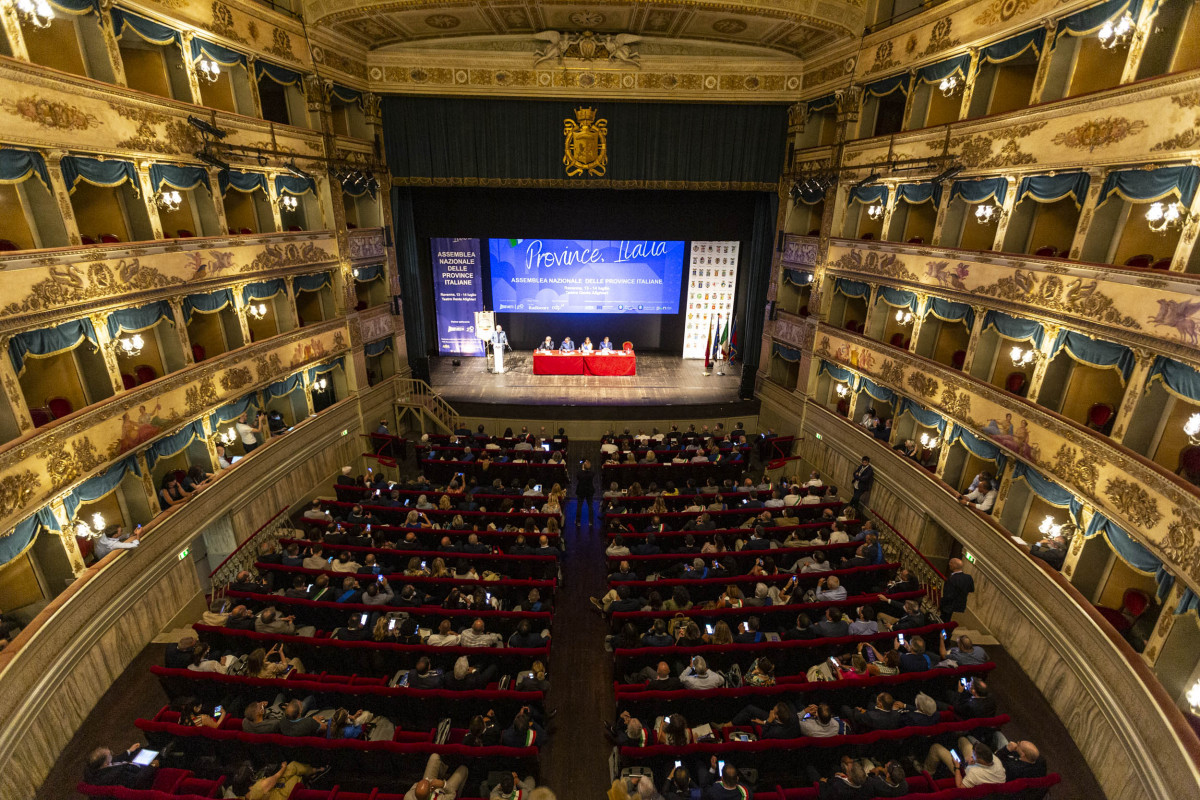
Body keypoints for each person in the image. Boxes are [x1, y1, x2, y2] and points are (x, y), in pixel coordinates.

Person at [83, 744, 158, 788]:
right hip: (140, 778)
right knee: (159, 758)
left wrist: (129, 751)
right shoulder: (115, 776)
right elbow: (137, 780)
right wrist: (152, 766)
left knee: (142, 749)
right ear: (106, 763)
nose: (112, 754)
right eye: (110, 754)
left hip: (130, 767)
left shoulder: (96, 767)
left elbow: (114, 760)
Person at [404, 754, 469, 800]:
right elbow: (452, 794)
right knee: (463, 769)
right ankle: (460, 795)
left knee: (434, 757)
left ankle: (443, 773)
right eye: (426, 783)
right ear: (430, 791)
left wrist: (429, 782)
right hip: (444, 792)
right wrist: (443, 784)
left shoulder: (408, 797)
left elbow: (416, 785)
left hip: (431, 783)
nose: (425, 781)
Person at [940, 557, 975, 622]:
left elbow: (948, 595)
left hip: (949, 607)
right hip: (961, 606)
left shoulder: (952, 579)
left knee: (943, 622)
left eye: (951, 563)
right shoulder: (968, 578)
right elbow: (971, 589)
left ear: (955, 565)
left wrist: (941, 602)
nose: (949, 564)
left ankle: (944, 629)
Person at [576, 458, 595, 526]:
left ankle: (578, 522)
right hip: (589, 491)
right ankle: (591, 522)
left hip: (581, 491)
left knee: (579, 506)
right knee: (590, 506)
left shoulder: (579, 473)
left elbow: (578, 478)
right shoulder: (592, 473)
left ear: (583, 466)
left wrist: (582, 469)